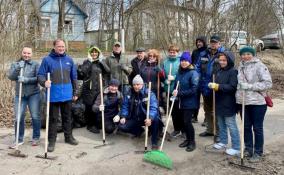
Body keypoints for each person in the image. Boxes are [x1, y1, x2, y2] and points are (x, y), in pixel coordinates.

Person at [38, 39, 79, 152]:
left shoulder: (69, 60)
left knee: (67, 117)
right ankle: (52, 141)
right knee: (53, 119)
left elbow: (74, 77)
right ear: (54, 47)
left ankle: (68, 137)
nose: (61, 48)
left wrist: (75, 92)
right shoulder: (47, 60)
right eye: (59, 46)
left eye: (63, 46)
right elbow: (40, 75)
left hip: (67, 94)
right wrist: (44, 82)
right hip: (53, 95)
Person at [236, 46, 272, 162]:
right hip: (243, 102)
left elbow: (267, 83)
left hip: (258, 102)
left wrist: (250, 86)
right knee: (246, 127)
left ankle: (258, 152)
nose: (245, 56)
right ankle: (248, 149)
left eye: (248, 54)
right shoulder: (240, 66)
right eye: (243, 54)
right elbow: (238, 85)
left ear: (253, 54)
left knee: (257, 128)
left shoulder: (260, 66)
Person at [208, 51, 240, 156]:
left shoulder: (233, 71)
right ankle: (223, 141)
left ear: (229, 60)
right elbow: (216, 84)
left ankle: (236, 147)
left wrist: (217, 86)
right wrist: (212, 85)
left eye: (224, 60)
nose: (221, 62)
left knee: (231, 125)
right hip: (219, 101)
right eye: (220, 60)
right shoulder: (219, 71)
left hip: (229, 103)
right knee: (221, 124)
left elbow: (232, 87)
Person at [8, 46, 41, 148]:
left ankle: (36, 137)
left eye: (28, 53)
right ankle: (19, 139)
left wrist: (26, 80)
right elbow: (11, 77)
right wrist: (18, 68)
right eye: (25, 53)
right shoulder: (16, 64)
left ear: (31, 54)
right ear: (22, 53)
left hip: (33, 94)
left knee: (35, 116)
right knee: (18, 117)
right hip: (20, 95)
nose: (26, 55)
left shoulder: (35, 64)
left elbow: (38, 78)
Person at [196, 35, 225, 142]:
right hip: (205, 86)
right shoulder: (203, 54)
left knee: (216, 111)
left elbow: (227, 68)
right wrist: (197, 78)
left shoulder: (223, 54)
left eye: (215, 42)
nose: (213, 44)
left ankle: (218, 133)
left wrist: (219, 82)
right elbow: (198, 67)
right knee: (207, 110)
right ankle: (209, 130)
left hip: (217, 86)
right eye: (212, 42)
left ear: (219, 44)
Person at [118, 75, 159, 149]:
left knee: (155, 119)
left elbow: (153, 107)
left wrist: (150, 118)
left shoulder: (149, 93)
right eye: (134, 84)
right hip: (136, 117)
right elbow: (125, 106)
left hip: (146, 117)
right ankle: (139, 131)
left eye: (138, 84)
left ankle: (154, 141)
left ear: (142, 84)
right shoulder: (129, 93)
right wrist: (123, 116)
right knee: (122, 126)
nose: (136, 86)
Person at [77, 46, 110, 133]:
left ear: (98, 53)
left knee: (98, 106)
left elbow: (108, 71)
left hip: (99, 88)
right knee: (90, 106)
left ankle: (96, 123)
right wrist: (89, 62)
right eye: (92, 52)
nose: (94, 54)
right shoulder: (86, 62)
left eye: (96, 52)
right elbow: (83, 72)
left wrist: (101, 62)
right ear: (90, 53)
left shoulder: (101, 62)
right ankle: (90, 125)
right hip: (89, 89)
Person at [172, 51, 199, 152]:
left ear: (189, 62)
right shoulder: (180, 72)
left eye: (186, 61)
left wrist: (179, 93)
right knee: (184, 122)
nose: (183, 62)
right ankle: (187, 140)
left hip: (190, 102)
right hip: (181, 102)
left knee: (187, 122)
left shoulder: (193, 73)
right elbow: (176, 84)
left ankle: (192, 142)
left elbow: (194, 90)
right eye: (182, 60)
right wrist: (174, 91)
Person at [162, 45, 183, 137]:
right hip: (169, 89)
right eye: (170, 52)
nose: (172, 53)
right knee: (173, 111)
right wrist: (165, 80)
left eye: (174, 52)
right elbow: (162, 74)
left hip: (178, 89)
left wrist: (174, 77)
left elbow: (183, 73)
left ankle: (184, 130)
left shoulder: (180, 61)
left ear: (177, 52)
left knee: (180, 110)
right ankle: (177, 129)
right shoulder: (165, 62)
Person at [191, 36, 208, 123]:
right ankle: (194, 116)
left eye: (200, 42)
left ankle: (206, 118)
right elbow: (191, 63)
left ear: (204, 42)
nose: (198, 43)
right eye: (197, 42)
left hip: (205, 79)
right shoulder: (195, 52)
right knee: (195, 98)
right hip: (196, 78)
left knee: (206, 99)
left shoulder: (207, 51)